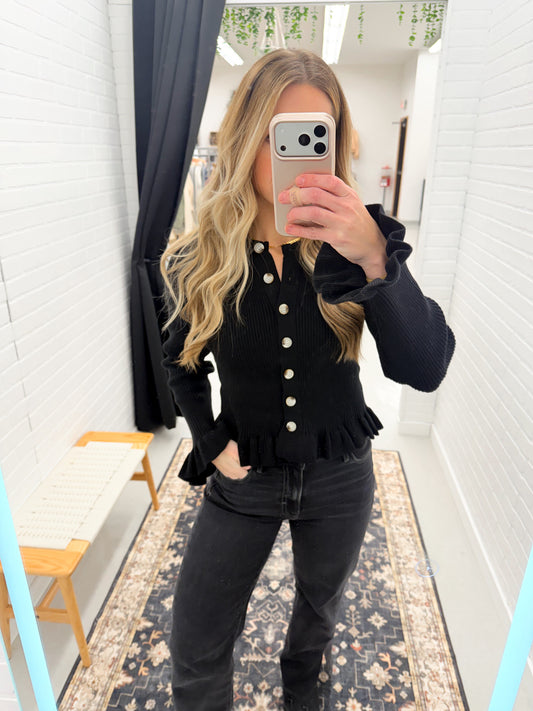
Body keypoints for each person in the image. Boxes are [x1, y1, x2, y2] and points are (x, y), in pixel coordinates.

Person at [160, 49, 455, 711]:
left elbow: (425, 365)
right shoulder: (195, 258)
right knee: (196, 642)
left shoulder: (354, 248)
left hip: (340, 477)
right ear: (247, 138)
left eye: (315, 135)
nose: (297, 155)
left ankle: (302, 687)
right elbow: (180, 361)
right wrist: (211, 442)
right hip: (244, 477)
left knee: (318, 616)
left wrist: (375, 256)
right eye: (280, 135)